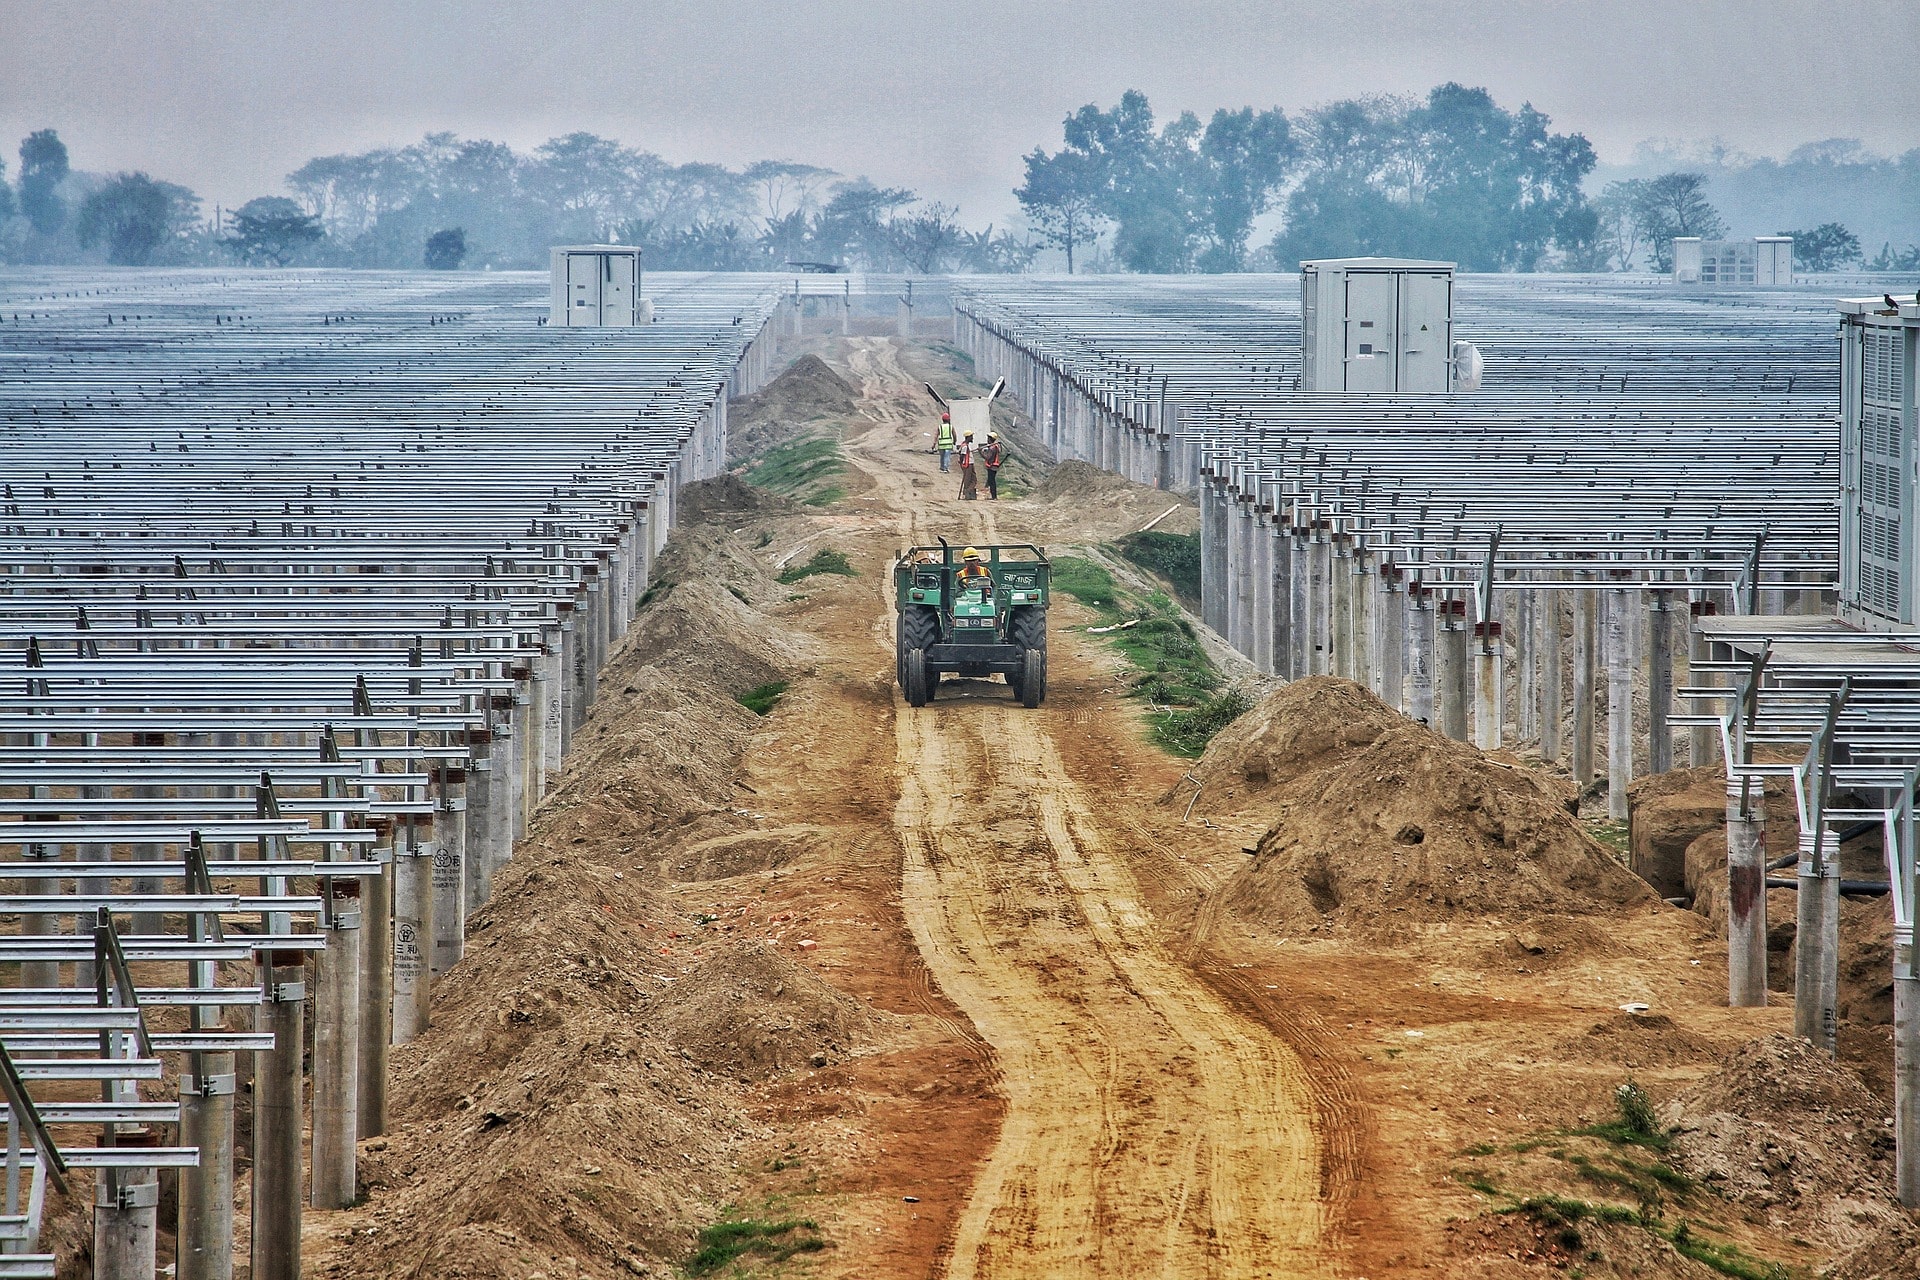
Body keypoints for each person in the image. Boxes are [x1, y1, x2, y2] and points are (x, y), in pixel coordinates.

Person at [981, 431, 1005, 500]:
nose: (987, 440)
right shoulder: (995, 446)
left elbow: (988, 457)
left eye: (988, 438)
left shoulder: (992, 448)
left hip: (992, 466)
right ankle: (993, 495)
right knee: (991, 481)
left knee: (992, 481)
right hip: (994, 466)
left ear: (991, 439)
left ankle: (994, 496)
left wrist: (981, 453)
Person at [957, 430, 979, 500]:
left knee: (973, 480)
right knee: (968, 480)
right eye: (971, 437)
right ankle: (966, 492)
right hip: (968, 465)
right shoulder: (965, 446)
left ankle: (968, 492)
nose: (972, 438)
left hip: (970, 464)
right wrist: (961, 463)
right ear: (968, 437)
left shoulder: (965, 445)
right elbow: (962, 456)